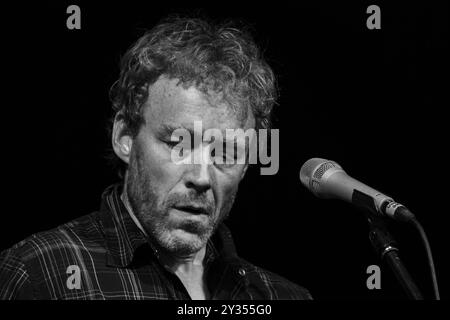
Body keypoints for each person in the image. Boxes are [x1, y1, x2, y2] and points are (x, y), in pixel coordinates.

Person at [0, 16, 311, 300]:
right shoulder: (40, 274)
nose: (201, 177)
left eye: (225, 153)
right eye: (179, 145)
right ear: (124, 136)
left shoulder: (282, 296)